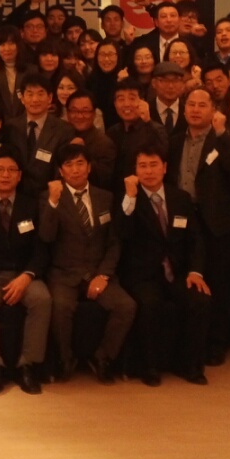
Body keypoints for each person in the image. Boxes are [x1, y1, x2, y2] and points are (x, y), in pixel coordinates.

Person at [40, 145, 135, 384]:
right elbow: (46, 237)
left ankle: (102, 357)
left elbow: (114, 242)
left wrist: (103, 275)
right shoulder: (49, 197)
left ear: (89, 167)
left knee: (126, 306)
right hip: (64, 273)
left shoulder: (106, 197)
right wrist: (52, 202)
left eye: (80, 163)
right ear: (60, 171)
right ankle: (65, 359)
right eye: (69, 165)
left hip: (98, 271)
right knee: (60, 307)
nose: (75, 170)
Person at [117, 144, 210, 386]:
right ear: (135, 170)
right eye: (142, 166)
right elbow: (123, 234)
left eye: (153, 165)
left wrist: (195, 271)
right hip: (143, 275)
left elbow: (196, 239)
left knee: (199, 300)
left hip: (178, 272)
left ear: (165, 167)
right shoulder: (128, 199)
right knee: (150, 304)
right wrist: (130, 197)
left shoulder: (181, 198)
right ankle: (150, 367)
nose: (148, 171)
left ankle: (190, 365)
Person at [0, 146, 49, 395]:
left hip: (24, 274)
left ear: (20, 175)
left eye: (11, 170)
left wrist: (27, 276)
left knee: (42, 299)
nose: (5, 175)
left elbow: (41, 247)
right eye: (0, 170)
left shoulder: (31, 204)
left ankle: (28, 366)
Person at [169, 87, 230, 365]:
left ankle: (217, 343)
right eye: (191, 104)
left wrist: (222, 133)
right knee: (187, 280)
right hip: (184, 219)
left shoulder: (224, 139)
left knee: (218, 284)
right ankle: (188, 342)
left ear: (213, 110)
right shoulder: (175, 141)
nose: (196, 110)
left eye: (202, 105)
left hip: (217, 221)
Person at [5, 73, 77, 199]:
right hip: (15, 197)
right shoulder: (11, 127)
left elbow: (62, 168)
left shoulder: (64, 130)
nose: (35, 100)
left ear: (50, 98)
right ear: (22, 98)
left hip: (49, 196)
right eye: (30, 94)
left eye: (40, 94)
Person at [64, 90, 116, 188]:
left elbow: (103, 181)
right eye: (74, 111)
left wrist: (83, 153)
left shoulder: (104, 144)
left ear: (94, 114)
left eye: (85, 111)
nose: (80, 116)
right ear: (67, 113)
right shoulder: (61, 137)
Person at [149, 61, 187, 138]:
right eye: (164, 80)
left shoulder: (189, 111)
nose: (170, 86)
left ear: (183, 84)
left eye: (176, 81)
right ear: (153, 83)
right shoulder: (146, 111)